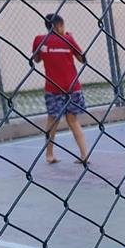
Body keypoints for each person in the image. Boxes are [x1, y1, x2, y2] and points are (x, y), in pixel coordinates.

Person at [32, 13, 89, 164]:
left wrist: (48, 51)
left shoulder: (39, 40)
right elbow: (82, 59)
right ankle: (84, 155)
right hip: (72, 87)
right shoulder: (68, 39)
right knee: (73, 121)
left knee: (52, 122)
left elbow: (36, 59)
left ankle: (49, 155)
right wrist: (70, 39)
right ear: (59, 25)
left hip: (53, 88)